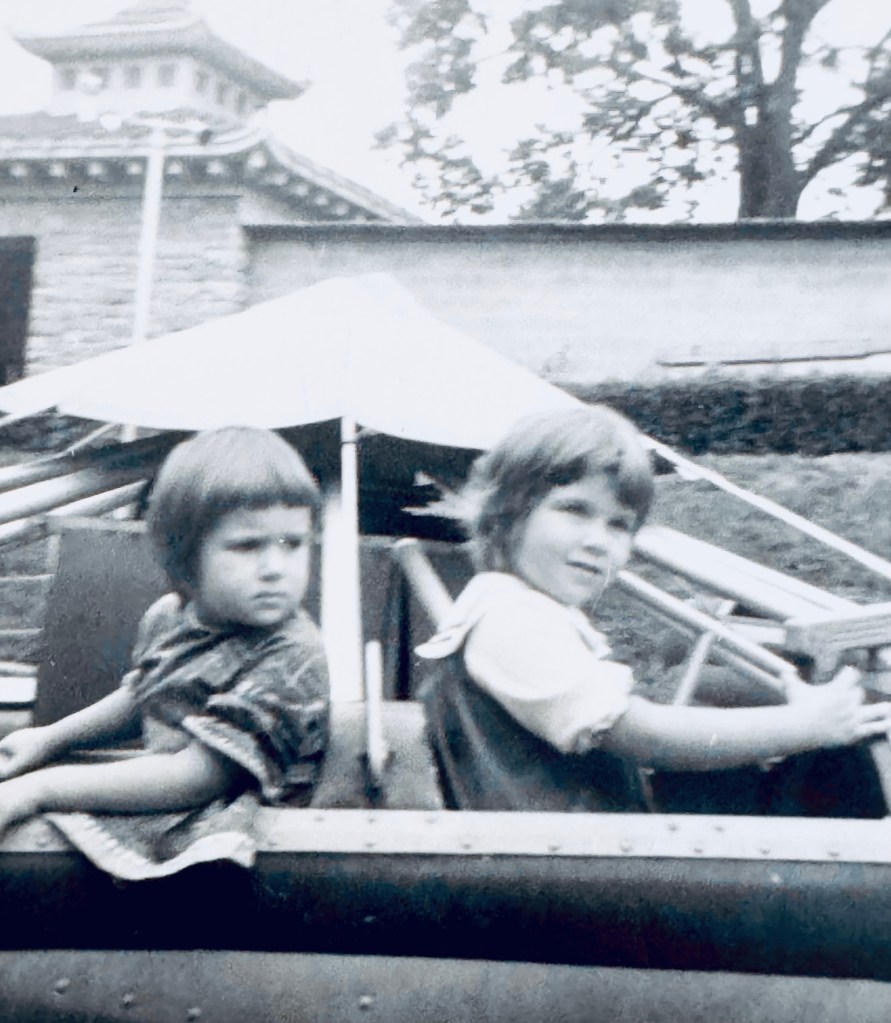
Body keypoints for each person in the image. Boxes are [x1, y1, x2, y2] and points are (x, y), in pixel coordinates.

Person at [417, 405, 891, 812]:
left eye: (619, 525)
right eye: (574, 510)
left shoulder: (525, 608)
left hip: (593, 837)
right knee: (831, 763)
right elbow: (641, 735)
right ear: (505, 514)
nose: (598, 541)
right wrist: (802, 726)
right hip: (582, 859)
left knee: (817, 759)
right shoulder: (512, 619)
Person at [0, 426, 329, 877]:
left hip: (254, 838)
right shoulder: (170, 617)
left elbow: (198, 777)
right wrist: (50, 739)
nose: (275, 568)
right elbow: (146, 696)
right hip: (173, 790)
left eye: (293, 543)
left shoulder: (291, 654)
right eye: (247, 546)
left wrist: (37, 790)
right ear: (185, 555)